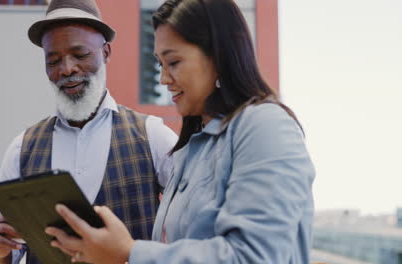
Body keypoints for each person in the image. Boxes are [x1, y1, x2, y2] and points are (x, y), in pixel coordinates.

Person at [45, 0, 316, 263]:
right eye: (160, 65)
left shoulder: (264, 126)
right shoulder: (191, 149)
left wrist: (129, 252)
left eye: (173, 63)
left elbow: (255, 257)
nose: (164, 79)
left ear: (218, 57)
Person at [0, 0, 177, 263]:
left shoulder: (153, 136)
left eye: (80, 55)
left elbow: (196, 229)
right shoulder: (23, 147)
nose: (67, 69)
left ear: (106, 53)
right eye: (53, 60)